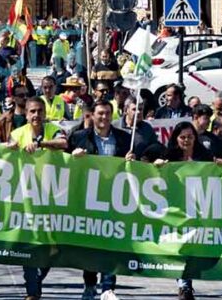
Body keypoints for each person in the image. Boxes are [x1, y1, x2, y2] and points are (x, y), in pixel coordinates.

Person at [150, 121, 222, 300]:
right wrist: (157, 166)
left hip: (198, 208)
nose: (186, 140)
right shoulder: (169, 155)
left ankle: (186, 284)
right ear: (176, 138)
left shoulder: (204, 155)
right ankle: (185, 284)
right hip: (176, 208)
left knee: (191, 248)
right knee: (180, 247)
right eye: (182, 137)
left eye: (190, 137)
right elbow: (153, 174)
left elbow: (216, 173)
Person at [68, 100, 134, 300]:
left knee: (112, 243)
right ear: (92, 115)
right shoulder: (79, 137)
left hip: (114, 197)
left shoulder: (124, 138)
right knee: (91, 244)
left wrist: (133, 160)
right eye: (100, 114)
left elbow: (149, 153)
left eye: (107, 113)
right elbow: (62, 163)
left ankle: (108, 287)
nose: (104, 117)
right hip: (89, 197)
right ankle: (90, 284)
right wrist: (73, 156)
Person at [8, 98, 67, 300]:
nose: (36, 115)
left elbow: (63, 143)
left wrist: (40, 143)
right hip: (27, 197)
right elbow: (7, 151)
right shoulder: (17, 133)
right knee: (30, 243)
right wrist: (12, 148)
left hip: (52, 196)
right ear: (26, 114)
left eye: (40, 111)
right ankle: (32, 290)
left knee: (53, 247)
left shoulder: (52, 129)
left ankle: (37, 279)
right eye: (32, 111)